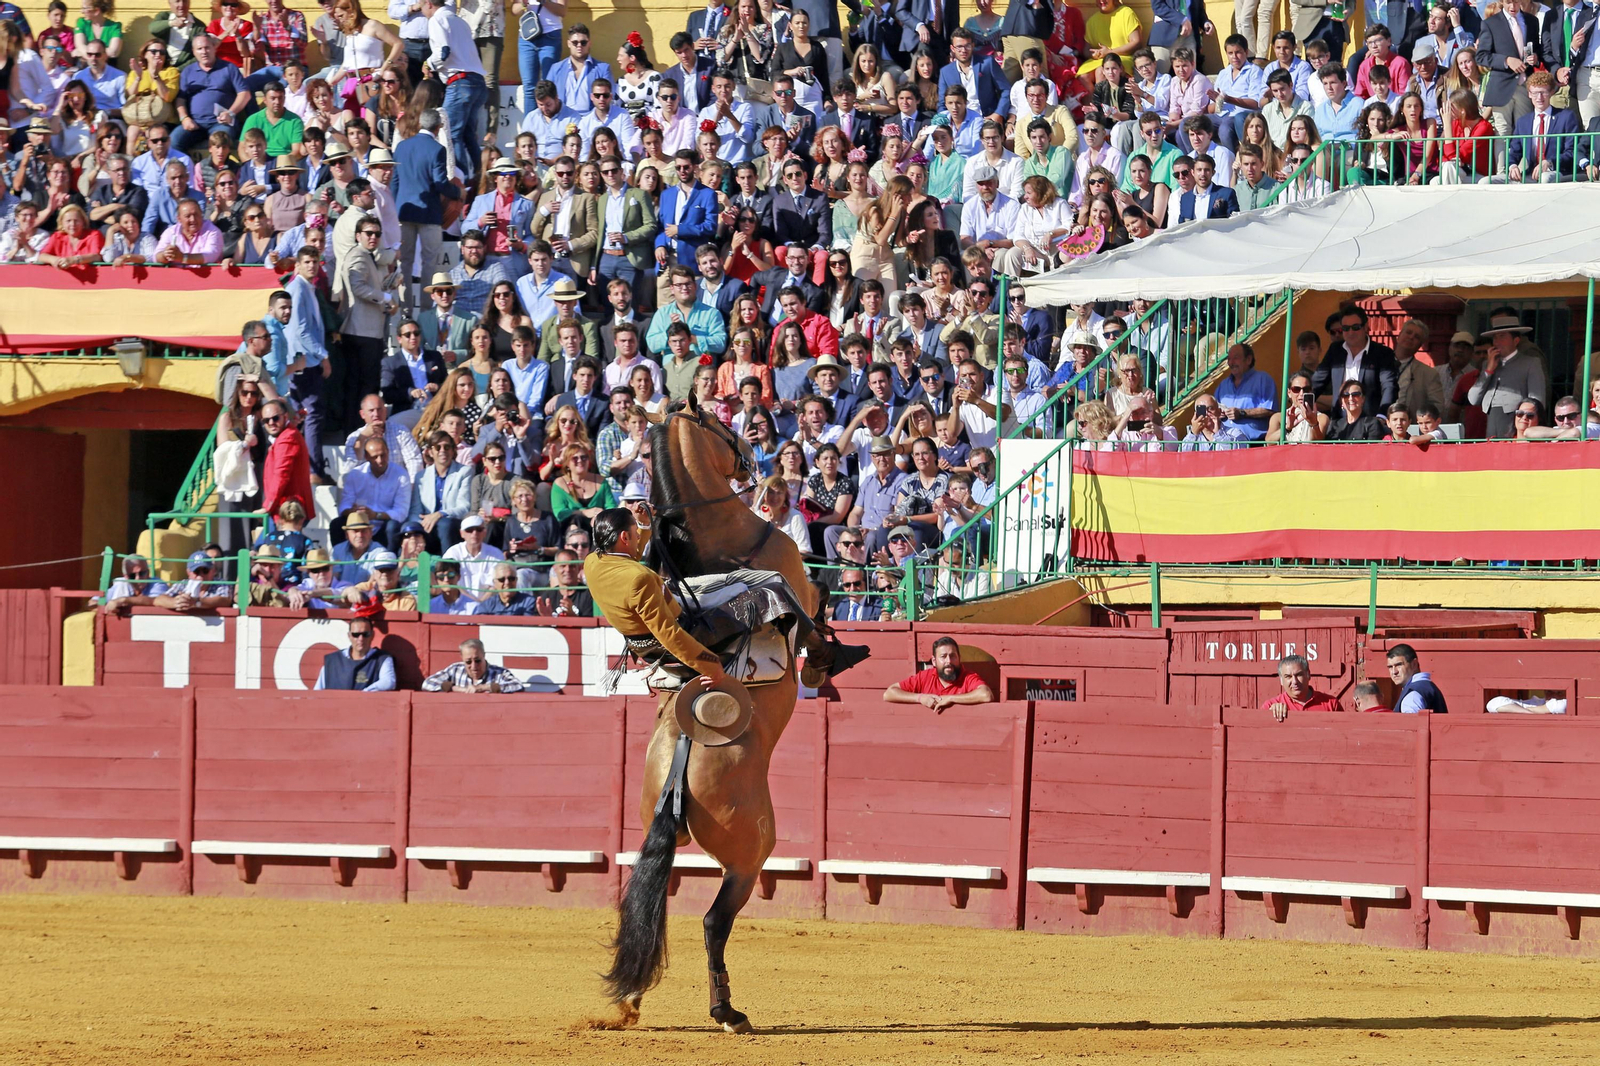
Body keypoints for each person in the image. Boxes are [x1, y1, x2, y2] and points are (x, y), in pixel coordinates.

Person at [1469, 308, 1549, 438]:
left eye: (1502, 337)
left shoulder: (1531, 363)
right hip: (1490, 422)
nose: (1497, 342)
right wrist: (1488, 370)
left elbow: (1537, 402)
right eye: (1495, 338)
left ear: (1516, 340)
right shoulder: (1488, 364)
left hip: (1515, 424)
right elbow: (1473, 399)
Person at [883, 635, 994, 711]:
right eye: (943, 657)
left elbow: (986, 695)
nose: (949, 661)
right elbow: (889, 693)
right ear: (934, 661)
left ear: (959, 658)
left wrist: (950, 698)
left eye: (953, 656)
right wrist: (920, 698)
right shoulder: (925, 677)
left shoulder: (968, 677)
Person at [313, 616, 397, 690]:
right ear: (349, 636)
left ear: (372, 635)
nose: (361, 638)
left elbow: (389, 682)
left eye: (365, 634)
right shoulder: (332, 661)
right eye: (356, 634)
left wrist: (365, 692)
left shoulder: (382, 659)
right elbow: (317, 692)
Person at [421, 637, 526, 692]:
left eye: (478, 660)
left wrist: (484, 687)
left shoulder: (498, 673)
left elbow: (518, 686)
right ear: (462, 659)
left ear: (484, 655)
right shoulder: (455, 669)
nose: (474, 666)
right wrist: (455, 689)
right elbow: (427, 683)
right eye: (468, 662)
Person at [1263, 653, 1343, 720]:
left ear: (1308, 675)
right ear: (1281, 680)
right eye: (1288, 676)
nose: (1294, 681)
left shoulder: (1331, 704)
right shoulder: (1270, 706)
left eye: (1299, 675)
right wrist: (1269, 715)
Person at [1383, 642, 1449, 714]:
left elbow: (1412, 724)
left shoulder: (1412, 695)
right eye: (1390, 667)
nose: (1394, 672)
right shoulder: (1426, 686)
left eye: (1399, 665)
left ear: (1414, 664)